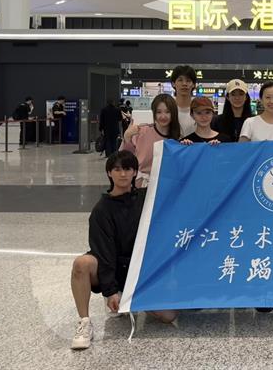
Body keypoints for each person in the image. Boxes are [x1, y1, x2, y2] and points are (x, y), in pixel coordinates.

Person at [70, 151, 176, 350]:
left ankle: (132, 297)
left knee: (168, 316)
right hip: (112, 266)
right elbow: (103, 252)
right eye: (117, 169)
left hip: (140, 269)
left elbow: (176, 184)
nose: (123, 174)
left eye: (127, 169)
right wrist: (110, 290)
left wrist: (189, 148)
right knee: (81, 264)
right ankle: (84, 322)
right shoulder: (102, 210)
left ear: (135, 172)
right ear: (109, 173)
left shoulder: (146, 198)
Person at [120, 94, 181, 188]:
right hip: (140, 186)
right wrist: (127, 136)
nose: (163, 116)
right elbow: (124, 158)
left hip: (166, 187)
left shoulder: (178, 139)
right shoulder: (142, 131)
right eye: (159, 112)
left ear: (173, 113)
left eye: (167, 112)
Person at [171, 65, 197, 137]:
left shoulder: (199, 108)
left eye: (188, 81)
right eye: (180, 80)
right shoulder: (168, 108)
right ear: (173, 84)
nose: (184, 84)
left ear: (194, 85)